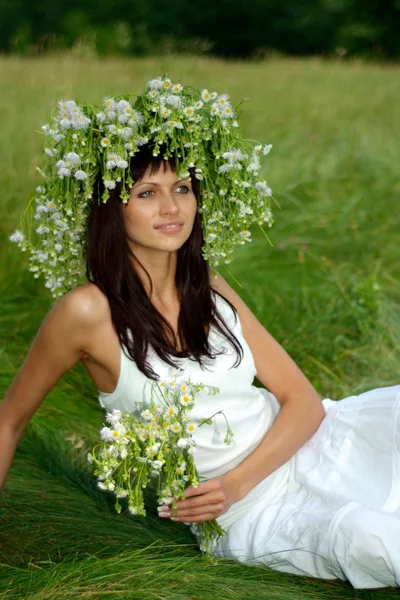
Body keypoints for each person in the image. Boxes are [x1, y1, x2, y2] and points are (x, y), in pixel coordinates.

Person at [1, 77, 399, 589]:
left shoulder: (208, 283)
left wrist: (238, 479)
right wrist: (231, 491)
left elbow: (302, 400)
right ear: (111, 209)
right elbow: (10, 421)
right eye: (146, 193)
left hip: (307, 446)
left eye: (182, 188)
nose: (172, 208)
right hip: (245, 514)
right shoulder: (87, 311)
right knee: (369, 536)